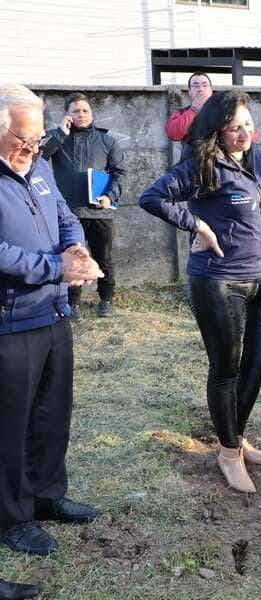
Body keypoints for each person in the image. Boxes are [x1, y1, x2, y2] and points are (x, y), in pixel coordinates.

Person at [139, 90, 261, 494]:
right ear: (217, 129)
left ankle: (236, 435)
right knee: (227, 368)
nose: (244, 133)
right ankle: (229, 454)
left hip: (256, 280)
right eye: (235, 127)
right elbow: (152, 197)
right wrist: (196, 225)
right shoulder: (204, 164)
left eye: (248, 125)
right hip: (218, 281)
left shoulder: (252, 160)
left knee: (258, 364)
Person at [0, 83, 102, 557]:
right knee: (11, 425)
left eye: (39, 139)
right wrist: (55, 268)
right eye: (24, 139)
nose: (33, 148)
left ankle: (46, 496)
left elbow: (64, 214)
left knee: (51, 413)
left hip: (53, 311)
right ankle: (12, 517)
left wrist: (75, 248)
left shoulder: (38, 164)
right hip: (10, 320)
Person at [42, 92, 126, 319]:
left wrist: (110, 195)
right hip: (67, 213)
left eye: (85, 110)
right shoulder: (56, 137)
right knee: (71, 256)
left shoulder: (107, 141)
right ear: (67, 115)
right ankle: (72, 304)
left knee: (103, 257)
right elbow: (39, 155)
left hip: (99, 212)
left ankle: (106, 299)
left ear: (92, 113)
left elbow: (120, 173)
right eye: (75, 111)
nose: (81, 114)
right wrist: (60, 133)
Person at [164, 72, 213, 143]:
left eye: (205, 85)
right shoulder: (181, 112)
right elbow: (173, 134)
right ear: (189, 92)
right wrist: (194, 109)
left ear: (211, 90)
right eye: (196, 86)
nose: (201, 89)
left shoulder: (222, 109)